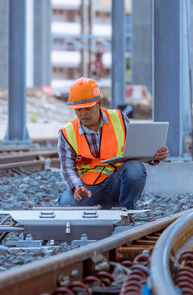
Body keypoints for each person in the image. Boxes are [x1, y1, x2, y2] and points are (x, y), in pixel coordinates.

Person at [58, 77, 169, 209]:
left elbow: (138, 149)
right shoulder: (67, 133)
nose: (83, 114)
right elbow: (67, 168)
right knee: (66, 204)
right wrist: (77, 186)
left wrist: (155, 156)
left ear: (99, 104)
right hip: (88, 189)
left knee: (134, 168)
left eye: (87, 108)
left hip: (116, 183)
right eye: (78, 110)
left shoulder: (119, 119)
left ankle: (126, 212)